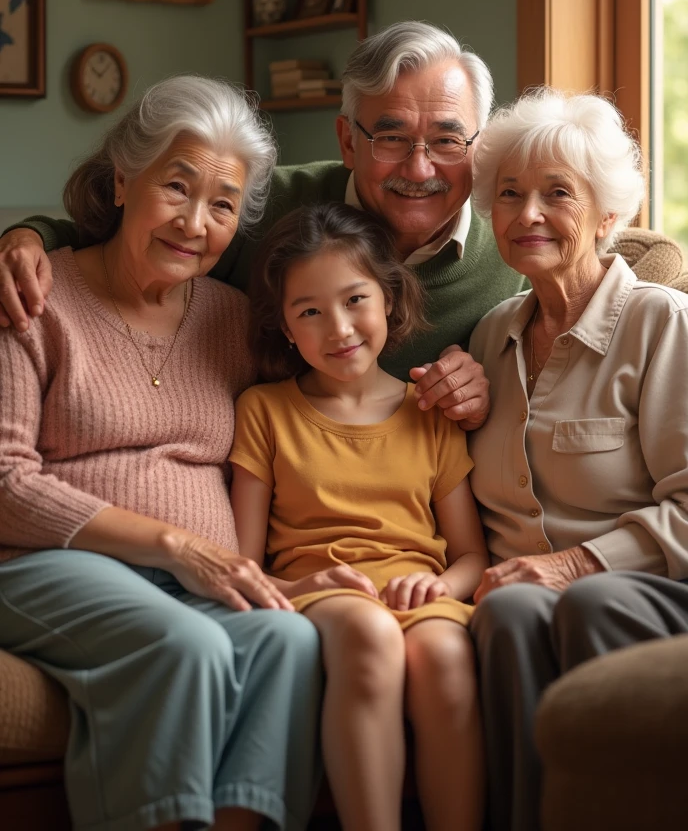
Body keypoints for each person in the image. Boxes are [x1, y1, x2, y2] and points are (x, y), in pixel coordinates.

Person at [0, 76, 322, 831]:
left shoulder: (237, 319)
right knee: (187, 647)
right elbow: (6, 483)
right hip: (42, 565)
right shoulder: (34, 300)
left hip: (192, 572)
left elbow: (318, 417)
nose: (195, 222)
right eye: (176, 187)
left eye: (223, 204)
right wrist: (174, 545)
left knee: (286, 638)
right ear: (121, 180)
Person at [0, 22, 528, 429]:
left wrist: (484, 392)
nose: (419, 168)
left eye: (446, 140)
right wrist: (29, 237)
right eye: (390, 138)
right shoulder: (260, 204)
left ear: (478, 149)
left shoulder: (511, 253)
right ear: (347, 141)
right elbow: (124, 234)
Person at [465, 88, 688, 831]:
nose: (527, 214)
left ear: (608, 216)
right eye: (509, 194)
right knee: (509, 607)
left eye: (556, 193)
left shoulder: (662, 324)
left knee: (582, 599)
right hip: (521, 593)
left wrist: (576, 565)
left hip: (653, 590)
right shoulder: (489, 338)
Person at [229, 202, 489, 831]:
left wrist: (439, 585)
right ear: (287, 329)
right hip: (322, 593)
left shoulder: (427, 410)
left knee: (446, 657)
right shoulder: (264, 412)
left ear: (390, 302)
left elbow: (472, 556)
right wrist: (301, 588)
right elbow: (243, 563)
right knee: (371, 633)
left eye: (354, 300)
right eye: (309, 312)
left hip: (421, 595)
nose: (338, 328)